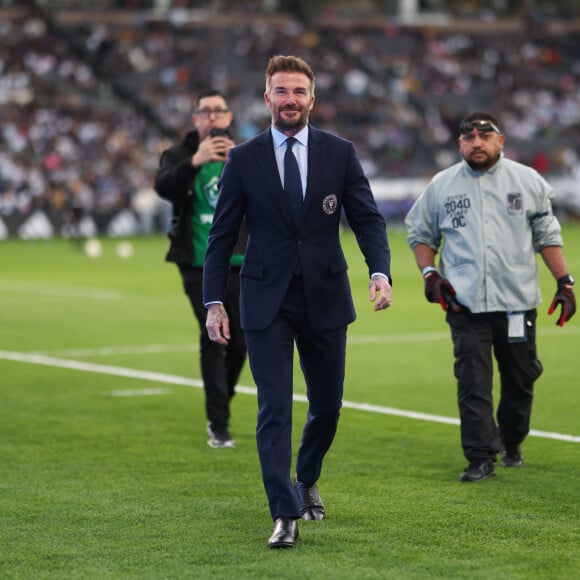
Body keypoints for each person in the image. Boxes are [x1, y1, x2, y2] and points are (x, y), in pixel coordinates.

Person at [203, 55, 392, 548]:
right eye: (281, 91)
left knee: (327, 406)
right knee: (274, 408)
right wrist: (213, 303)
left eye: (298, 92)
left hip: (326, 296)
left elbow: (367, 219)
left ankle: (306, 476)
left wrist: (379, 270)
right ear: (267, 98)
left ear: (313, 99)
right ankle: (283, 511)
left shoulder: (340, 153)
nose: (290, 100)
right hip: (265, 298)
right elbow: (221, 237)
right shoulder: (244, 159)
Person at [405, 112, 576, 483]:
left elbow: (548, 237)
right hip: (464, 303)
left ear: (501, 141)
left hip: (517, 302)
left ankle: (512, 440)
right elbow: (420, 233)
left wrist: (565, 283)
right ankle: (480, 457)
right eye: (468, 137)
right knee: (472, 382)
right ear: (459, 144)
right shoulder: (441, 185)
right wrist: (429, 273)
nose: (476, 143)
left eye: (485, 136)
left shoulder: (528, 181)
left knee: (520, 380)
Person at [154, 90, 247, 449]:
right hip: (196, 262)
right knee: (214, 336)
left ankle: (221, 401)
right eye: (204, 111)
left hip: (238, 260)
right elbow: (163, 187)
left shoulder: (242, 154)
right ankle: (219, 424)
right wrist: (194, 162)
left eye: (217, 111)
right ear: (195, 119)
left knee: (240, 344)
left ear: (228, 116)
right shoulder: (178, 155)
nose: (211, 116)